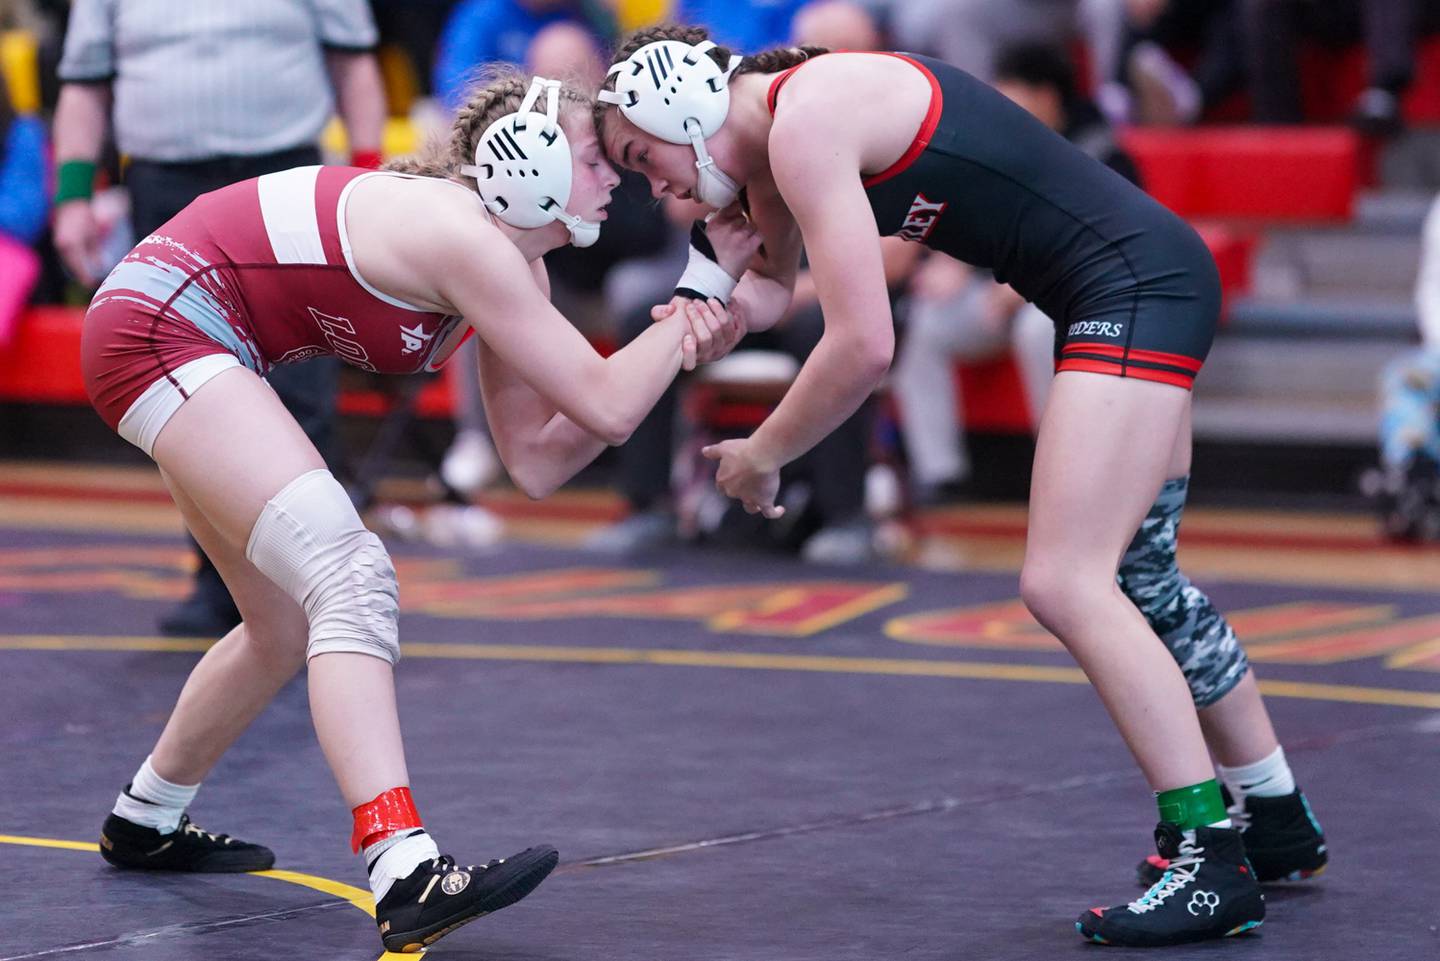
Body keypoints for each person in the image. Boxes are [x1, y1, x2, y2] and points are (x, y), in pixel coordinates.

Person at [596, 26, 1328, 946]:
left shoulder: (807, 119)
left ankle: (1206, 856)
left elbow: (864, 346)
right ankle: (1274, 814)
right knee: (1141, 577)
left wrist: (766, 449)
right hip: (1139, 276)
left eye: (640, 156)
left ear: (679, 106)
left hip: (1132, 287)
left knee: (1066, 581)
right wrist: (709, 305)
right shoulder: (782, 145)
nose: (651, 184)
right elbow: (778, 293)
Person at [81, 69, 755, 953]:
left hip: (187, 332)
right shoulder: (461, 233)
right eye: (600, 153)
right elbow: (610, 403)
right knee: (350, 575)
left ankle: (146, 815)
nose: (619, 174)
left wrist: (680, 334)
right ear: (532, 154)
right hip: (162, 325)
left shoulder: (513, 266)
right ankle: (404, 864)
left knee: (281, 625)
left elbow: (542, 460)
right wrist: (701, 292)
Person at [53, 0, 388, 638]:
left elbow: (355, 64)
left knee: (302, 384)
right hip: (165, 185)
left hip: (286, 177)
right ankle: (220, 585)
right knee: (183, 393)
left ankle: (316, 583)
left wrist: (370, 178)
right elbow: (83, 84)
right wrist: (72, 197)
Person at [893, 42, 1141, 502]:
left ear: (1047, 96)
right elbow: (974, 220)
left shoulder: (1101, 151)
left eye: (1013, 97)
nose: (1002, 109)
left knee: (1037, 329)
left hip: (1076, 296)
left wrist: (1027, 288)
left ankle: (1067, 475)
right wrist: (953, 264)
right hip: (999, 290)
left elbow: (1116, 246)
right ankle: (939, 474)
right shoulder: (1001, 146)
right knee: (925, 324)